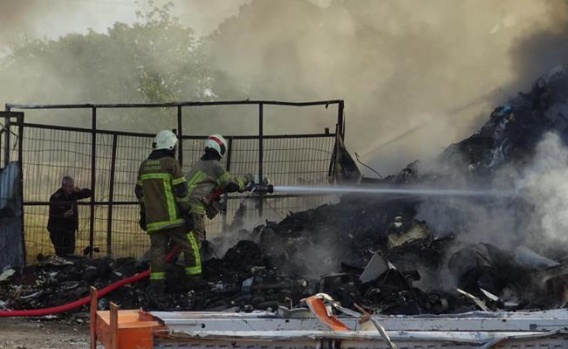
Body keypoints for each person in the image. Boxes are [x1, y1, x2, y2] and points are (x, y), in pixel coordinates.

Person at [135, 130, 198, 295]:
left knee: (157, 253)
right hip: (174, 220)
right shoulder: (171, 163)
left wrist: (143, 214)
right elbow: (181, 192)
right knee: (190, 247)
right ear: (171, 145)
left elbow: (139, 192)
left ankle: (157, 287)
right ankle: (194, 282)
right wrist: (188, 213)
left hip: (154, 221)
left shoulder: (144, 166)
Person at [185, 134, 254, 273]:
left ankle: (178, 265)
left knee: (186, 238)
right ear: (221, 149)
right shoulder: (215, 166)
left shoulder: (201, 164)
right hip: (194, 207)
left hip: (183, 206)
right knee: (197, 241)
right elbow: (230, 184)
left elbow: (211, 186)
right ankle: (192, 271)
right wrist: (247, 179)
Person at [47, 176, 92, 257]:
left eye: (72, 186)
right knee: (61, 253)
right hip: (58, 229)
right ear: (64, 186)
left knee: (70, 253)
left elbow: (89, 193)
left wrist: (79, 190)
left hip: (70, 229)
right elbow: (53, 214)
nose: (71, 188)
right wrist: (63, 215)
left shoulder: (73, 194)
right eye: (70, 186)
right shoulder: (56, 197)